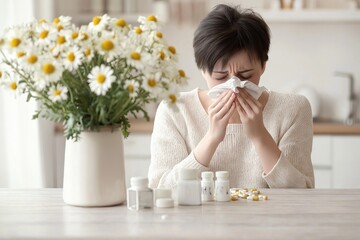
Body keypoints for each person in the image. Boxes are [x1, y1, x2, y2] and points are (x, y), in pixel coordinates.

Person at [148, 4, 314, 189]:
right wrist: (211, 138)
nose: (234, 86)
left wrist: (259, 136)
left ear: (263, 66)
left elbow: (302, 194)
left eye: (246, 75)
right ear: (202, 70)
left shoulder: (293, 109)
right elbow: (160, 191)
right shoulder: (175, 110)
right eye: (220, 76)